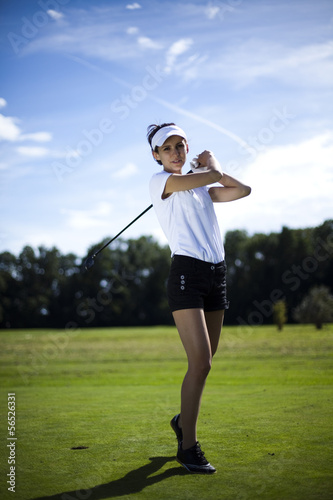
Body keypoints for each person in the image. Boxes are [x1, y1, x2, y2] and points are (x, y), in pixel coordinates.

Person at [147, 123, 251, 474]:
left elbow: (242, 189)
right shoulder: (160, 183)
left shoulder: (201, 188)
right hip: (186, 275)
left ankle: (182, 419)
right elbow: (215, 175)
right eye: (168, 148)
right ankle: (187, 447)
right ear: (156, 155)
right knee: (201, 363)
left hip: (216, 274)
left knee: (208, 359)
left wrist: (211, 170)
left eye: (181, 145)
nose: (176, 152)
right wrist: (213, 165)